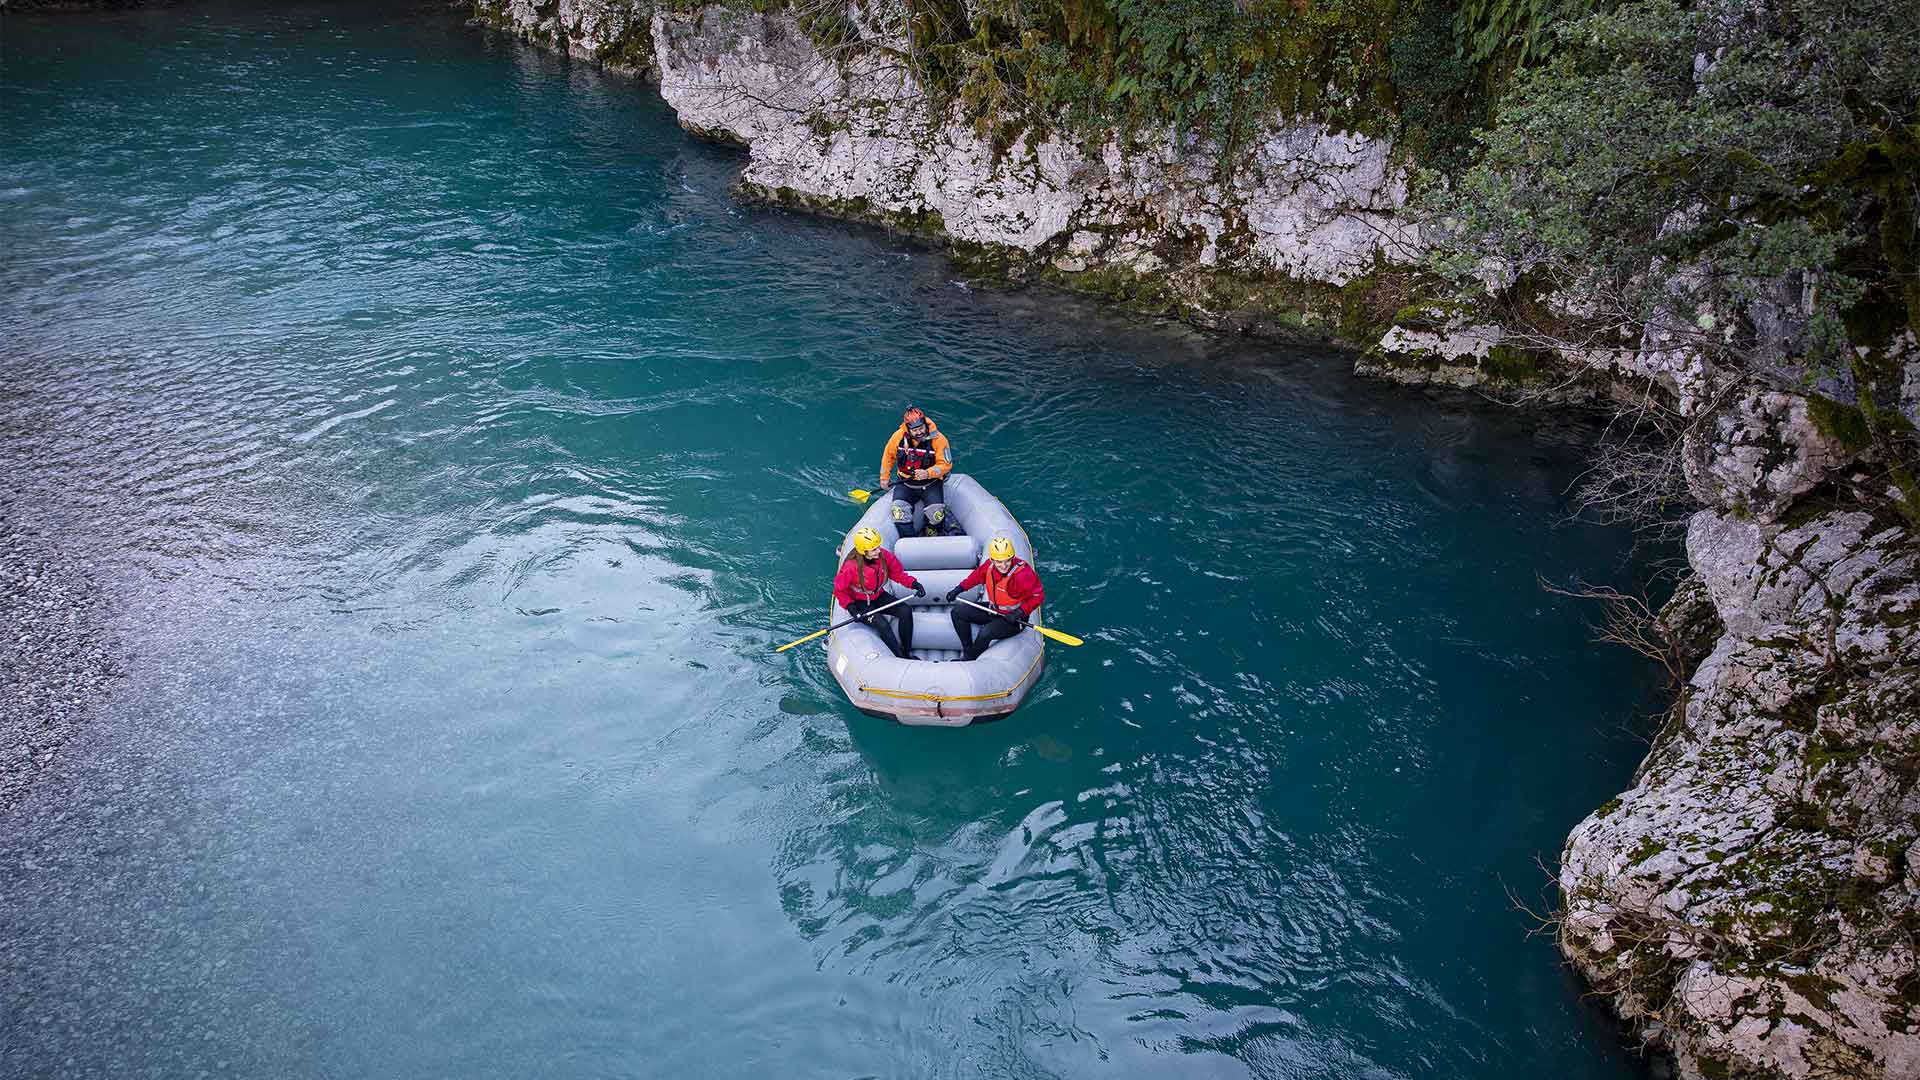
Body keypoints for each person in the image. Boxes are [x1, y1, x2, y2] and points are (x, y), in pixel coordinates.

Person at [945, 536, 1044, 661]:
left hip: (1014, 620)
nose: (1003, 565)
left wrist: (1019, 612)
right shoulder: (989, 566)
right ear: (992, 559)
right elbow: (975, 577)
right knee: (957, 612)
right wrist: (958, 589)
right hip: (993, 611)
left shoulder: (1023, 574)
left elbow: (1038, 596)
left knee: (986, 632)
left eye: (1007, 561)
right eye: (999, 561)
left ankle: (970, 658)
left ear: (1012, 557)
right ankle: (968, 650)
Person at [833, 526, 924, 659]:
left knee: (905, 611)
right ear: (864, 552)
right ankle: (900, 657)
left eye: (878, 547)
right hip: (860, 602)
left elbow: (898, 574)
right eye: (874, 549)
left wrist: (914, 584)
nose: (878, 551)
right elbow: (839, 590)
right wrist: (852, 609)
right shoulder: (851, 567)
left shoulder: (883, 556)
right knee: (883, 625)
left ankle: (907, 650)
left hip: (878, 596)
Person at [878, 406, 954, 536]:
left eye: (921, 428)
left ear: (925, 424)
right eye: (915, 430)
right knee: (898, 512)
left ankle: (931, 530)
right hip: (906, 483)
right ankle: (910, 539)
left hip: (931, 483)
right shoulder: (898, 437)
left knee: (936, 514)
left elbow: (946, 464)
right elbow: (888, 456)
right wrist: (884, 478)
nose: (919, 432)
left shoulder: (939, 439)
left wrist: (928, 473)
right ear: (908, 429)